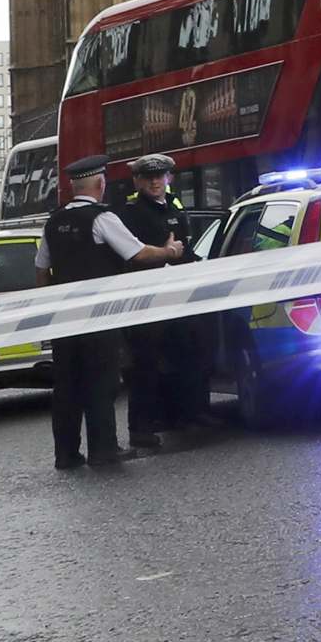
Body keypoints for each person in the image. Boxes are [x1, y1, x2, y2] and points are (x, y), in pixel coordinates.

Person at [36, 155, 187, 472]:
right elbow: (139, 253)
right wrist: (170, 252)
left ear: (73, 186)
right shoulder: (102, 219)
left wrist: (54, 303)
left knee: (66, 386)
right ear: (101, 184)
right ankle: (103, 450)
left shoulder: (53, 221)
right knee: (100, 381)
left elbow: (41, 271)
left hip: (64, 318)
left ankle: (66, 454)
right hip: (99, 316)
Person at [110, 155, 202, 443]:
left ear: (169, 179)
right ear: (137, 181)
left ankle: (181, 418)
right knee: (144, 365)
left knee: (182, 356)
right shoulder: (129, 213)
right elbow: (131, 255)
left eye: (160, 176)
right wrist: (165, 253)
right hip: (145, 300)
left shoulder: (174, 207)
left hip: (178, 296)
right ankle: (142, 428)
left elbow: (186, 249)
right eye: (148, 177)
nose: (155, 182)